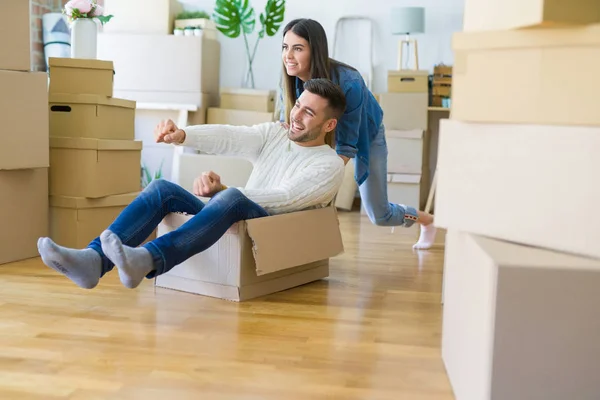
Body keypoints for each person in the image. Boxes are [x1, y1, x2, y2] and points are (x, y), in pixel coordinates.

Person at [37, 78, 347, 290]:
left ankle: (149, 259)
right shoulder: (275, 134)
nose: (296, 115)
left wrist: (227, 193)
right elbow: (231, 136)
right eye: (298, 106)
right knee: (162, 189)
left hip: (272, 229)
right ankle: (93, 261)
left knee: (235, 197)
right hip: (236, 210)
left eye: (309, 112)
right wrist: (184, 135)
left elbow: (285, 198)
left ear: (329, 124)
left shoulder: (329, 164)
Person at [279, 18, 436, 250]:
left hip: (365, 136)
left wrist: (320, 180)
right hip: (321, 133)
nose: (288, 56)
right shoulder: (289, 78)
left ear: (315, 50)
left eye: (298, 48)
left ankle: (426, 220)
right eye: (285, 47)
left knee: (379, 214)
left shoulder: (349, 82)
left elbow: (346, 146)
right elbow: (288, 125)